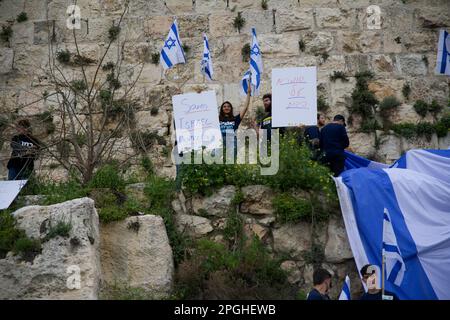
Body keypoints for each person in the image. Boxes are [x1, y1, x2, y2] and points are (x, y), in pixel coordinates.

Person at [219, 85, 251, 154]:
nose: (226, 108)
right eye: (224, 106)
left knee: (231, 161)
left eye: (228, 106)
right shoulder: (217, 119)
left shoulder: (235, 119)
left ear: (231, 108)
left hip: (231, 141)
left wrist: (248, 93)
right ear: (222, 109)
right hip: (220, 141)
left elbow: (245, 108)